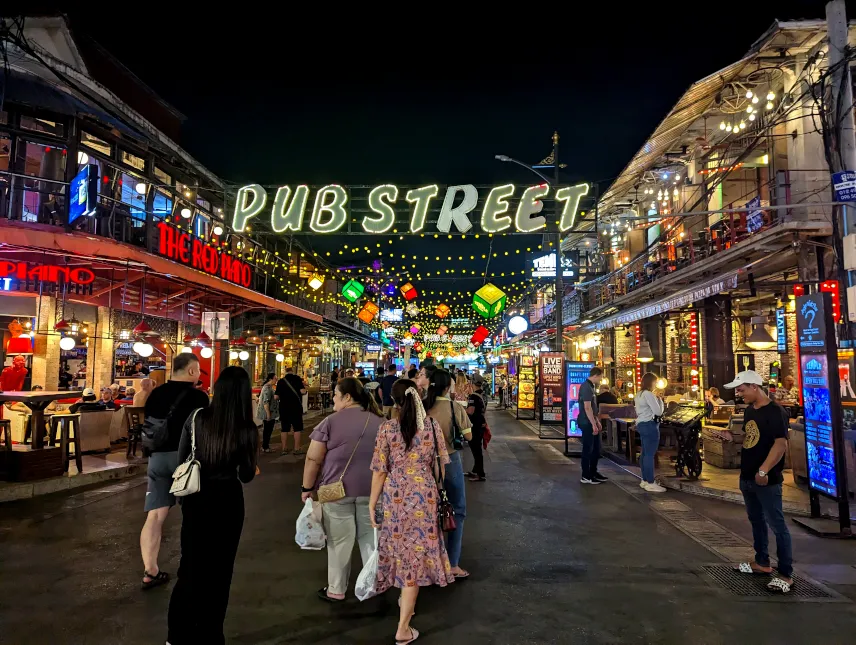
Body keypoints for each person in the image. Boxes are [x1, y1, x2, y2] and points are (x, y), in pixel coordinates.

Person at [166, 366, 258, 644]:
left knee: (190, 566)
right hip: (229, 501)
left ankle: (176, 635)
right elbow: (246, 475)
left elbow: (182, 459)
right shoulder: (247, 429)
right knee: (220, 570)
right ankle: (211, 633)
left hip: (196, 500)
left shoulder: (196, 419)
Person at [369, 379, 455, 644]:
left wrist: (373, 503)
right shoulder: (431, 427)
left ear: (394, 402)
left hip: (395, 496)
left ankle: (404, 615)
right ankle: (404, 624)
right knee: (416, 554)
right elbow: (441, 467)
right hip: (425, 497)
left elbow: (380, 470)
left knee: (400, 550)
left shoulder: (387, 429)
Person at [301, 377, 384, 601]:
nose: (334, 400)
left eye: (336, 395)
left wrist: (307, 487)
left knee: (339, 541)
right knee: (370, 540)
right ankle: (372, 587)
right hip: (373, 492)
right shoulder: (380, 422)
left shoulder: (329, 422)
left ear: (347, 397)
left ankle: (336, 590)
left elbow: (313, 459)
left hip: (336, 493)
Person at [140, 353, 209, 591]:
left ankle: (150, 571)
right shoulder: (199, 397)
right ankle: (193, 566)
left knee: (155, 516)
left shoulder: (155, 394)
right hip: (186, 462)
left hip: (157, 459)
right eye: (198, 370)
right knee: (194, 515)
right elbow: (205, 432)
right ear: (191, 371)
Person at [724, 370, 793, 593]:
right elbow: (750, 437)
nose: (739, 394)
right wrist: (731, 438)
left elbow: (780, 444)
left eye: (742, 389)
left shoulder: (775, 412)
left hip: (766, 479)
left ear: (755, 387)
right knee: (756, 520)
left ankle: (785, 573)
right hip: (747, 475)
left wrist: (763, 471)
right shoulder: (750, 411)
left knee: (777, 525)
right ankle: (762, 562)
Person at [425, 369, 472, 577]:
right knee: (456, 510)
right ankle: (452, 564)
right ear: (447, 387)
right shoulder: (454, 408)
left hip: (423, 463)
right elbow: (469, 436)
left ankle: (427, 563)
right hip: (450, 460)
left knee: (426, 513)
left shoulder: (421, 408)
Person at [635, 373, 666, 493]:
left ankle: (644, 480)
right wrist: (660, 399)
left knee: (644, 453)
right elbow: (658, 412)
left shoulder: (639, 394)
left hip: (641, 424)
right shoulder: (648, 394)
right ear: (651, 382)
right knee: (649, 454)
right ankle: (651, 482)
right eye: (655, 382)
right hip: (650, 425)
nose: (656, 384)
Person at [578, 367, 607, 485]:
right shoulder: (586, 387)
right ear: (596, 375)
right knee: (588, 449)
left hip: (591, 420)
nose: (601, 379)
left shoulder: (591, 387)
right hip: (586, 422)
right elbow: (587, 407)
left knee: (596, 449)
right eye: (601, 376)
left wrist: (596, 420)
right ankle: (586, 475)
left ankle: (593, 472)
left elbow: (592, 407)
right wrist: (593, 424)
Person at [275, 367, 307, 455]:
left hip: (284, 408)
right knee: (297, 428)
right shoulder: (297, 379)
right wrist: (305, 390)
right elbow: (302, 391)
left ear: (285, 372)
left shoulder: (281, 381)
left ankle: (284, 448)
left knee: (284, 428)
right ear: (293, 372)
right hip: (296, 408)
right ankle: (296, 448)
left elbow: (276, 397)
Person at [466, 379, 487, 482]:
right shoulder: (483, 395)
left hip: (475, 425)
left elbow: (470, 411)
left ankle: (480, 474)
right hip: (481, 424)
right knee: (477, 448)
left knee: (476, 449)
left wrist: (461, 409)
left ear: (473, 385)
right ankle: (475, 470)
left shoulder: (473, 396)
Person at [257, 372, 278, 453]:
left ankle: (266, 446)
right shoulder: (267, 388)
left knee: (268, 430)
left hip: (271, 412)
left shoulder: (269, 387)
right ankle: (265, 446)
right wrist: (268, 414)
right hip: (268, 413)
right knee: (267, 430)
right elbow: (266, 402)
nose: (276, 380)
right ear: (270, 379)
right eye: (275, 378)